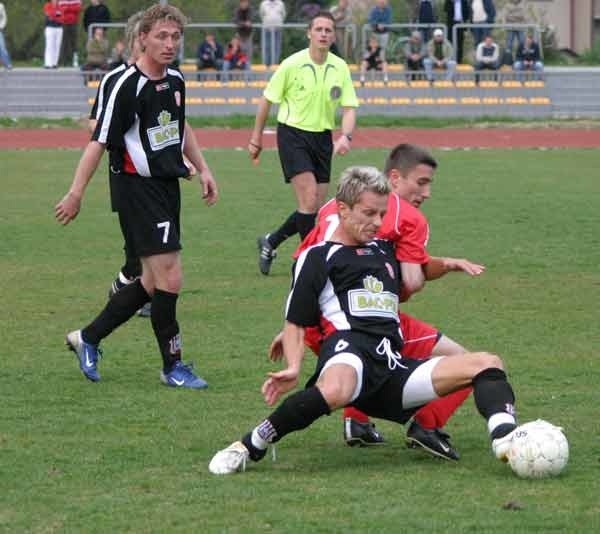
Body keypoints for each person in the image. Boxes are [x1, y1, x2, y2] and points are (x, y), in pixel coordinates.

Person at [208, 166, 519, 475]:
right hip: (349, 352)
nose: (378, 223)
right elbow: (296, 320)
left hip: (392, 365)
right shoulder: (318, 257)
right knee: (338, 388)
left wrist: (448, 264)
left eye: (382, 214)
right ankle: (250, 444)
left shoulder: (383, 250)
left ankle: (507, 442)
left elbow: (418, 269)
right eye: (369, 213)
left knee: (487, 363)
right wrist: (292, 365)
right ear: (343, 209)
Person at [281, 143, 484, 458]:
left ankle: (356, 423)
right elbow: (413, 281)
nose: (427, 192)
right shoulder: (410, 219)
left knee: (358, 368)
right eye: (421, 182)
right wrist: (407, 280)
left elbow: (307, 266)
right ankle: (426, 427)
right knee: (466, 361)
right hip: (364, 317)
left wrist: (293, 324)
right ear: (394, 179)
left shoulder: (336, 205)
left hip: (319, 320)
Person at [54, 3, 219, 389]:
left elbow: (180, 128)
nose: (170, 43)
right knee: (171, 276)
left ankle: (88, 337)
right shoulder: (127, 84)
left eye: (175, 36)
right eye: (161, 35)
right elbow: (98, 142)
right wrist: (76, 192)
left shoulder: (176, 79)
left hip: (166, 186)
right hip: (136, 189)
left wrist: (204, 169)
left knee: (149, 280)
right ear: (142, 37)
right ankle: (172, 366)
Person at [251, 11, 358, 276]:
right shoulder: (291, 64)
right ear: (309, 33)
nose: (323, 34)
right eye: (319, 29)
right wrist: (256, 138)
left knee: (312, 208)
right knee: (309, 200)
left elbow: (349, 108)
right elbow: (267, 100)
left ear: (333, 36)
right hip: (292, 135)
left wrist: (345, 136)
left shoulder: (340, 67)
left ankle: (271, 242)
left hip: (322, 138)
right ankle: (310, 263)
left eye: (328, 30)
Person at [259, 0, 286, 67]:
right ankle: (266, 65)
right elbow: (261, 14)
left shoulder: (280, 3)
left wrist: (278, 23)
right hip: (267, 29)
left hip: (277, 29)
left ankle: (275, 65)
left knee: (277, 47)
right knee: (266, 46)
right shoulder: (264, 3)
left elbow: (283, 14)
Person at [58, 0, 82, 67]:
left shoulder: (76, 0)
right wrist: (71, 8)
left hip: (74, 23)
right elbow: (61, 9)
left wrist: (67, 8)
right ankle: (63, 61)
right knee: (64, 43)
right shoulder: (62, 0)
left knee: (74, 42)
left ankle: (75, 60)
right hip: (64, 23)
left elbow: (78, 9)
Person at [44, 0, 64, 69]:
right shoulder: (47, 5)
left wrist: (54, 16)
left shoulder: (60, 6)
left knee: (57, 45)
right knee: (49, 45)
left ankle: (54, 63)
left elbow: (62, 18)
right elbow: (49, 15)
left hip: (59, 28)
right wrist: (56, 15)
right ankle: (48, 63)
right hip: (50, 27)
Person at [233, 0, 253, 65]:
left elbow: (251, 19)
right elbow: (236, 20)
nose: (244, 4)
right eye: (243, 3)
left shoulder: (250, 10)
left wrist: (248, 22)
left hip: (248, 35)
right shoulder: (237, 10)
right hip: (239, 35)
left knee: (248, 54)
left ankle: (248, 71)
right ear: (240, 3)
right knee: (239, 53)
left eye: (245, 2)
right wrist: (244, 23)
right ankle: (239, 68)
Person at [0, 2, 12, 70]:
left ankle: (7, 63)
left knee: (2, 47)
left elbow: (4, 18)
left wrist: (1, 26)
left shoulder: (1, 5)